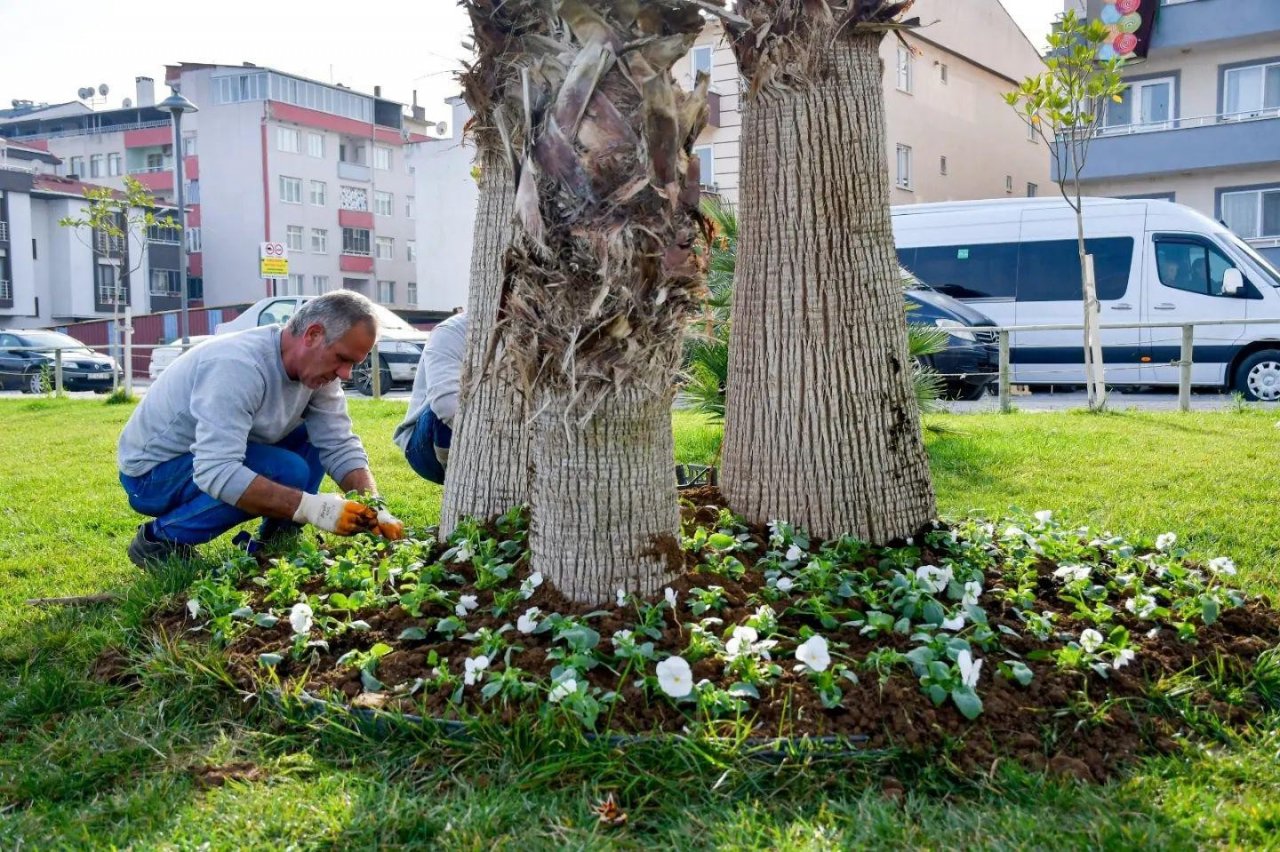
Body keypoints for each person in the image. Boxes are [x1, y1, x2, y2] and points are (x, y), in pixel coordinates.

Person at [118, 290, 404, 568]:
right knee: (287, 470)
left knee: (312, 438)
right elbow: (215, 469)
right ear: (313, 334)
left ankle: (280, 531)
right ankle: (159, 540)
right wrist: (312, 508)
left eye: (353, 364)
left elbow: (338, 443)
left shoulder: (320, 374)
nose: (346, 374)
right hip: (151, 476)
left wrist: (375, 509)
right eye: (342, 359)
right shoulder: (237, 366)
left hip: (205, 458)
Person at [394, 311, 467, 485]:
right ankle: (459, 484)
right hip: (423, 445)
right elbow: (447, 407)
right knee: (446, 406)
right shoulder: (451, 331)